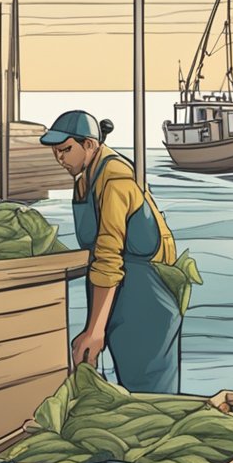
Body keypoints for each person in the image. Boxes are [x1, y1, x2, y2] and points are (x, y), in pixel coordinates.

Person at [42, 110, 183, 394]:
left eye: (66, 150)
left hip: (149, 297)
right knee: (125, 389)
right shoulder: (85, 177)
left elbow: (108, 255)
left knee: (151, 395)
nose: (60, 159)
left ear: (90, 145)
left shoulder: (115, 178)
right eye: (56, 152)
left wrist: (94, 329)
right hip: (121, 291)